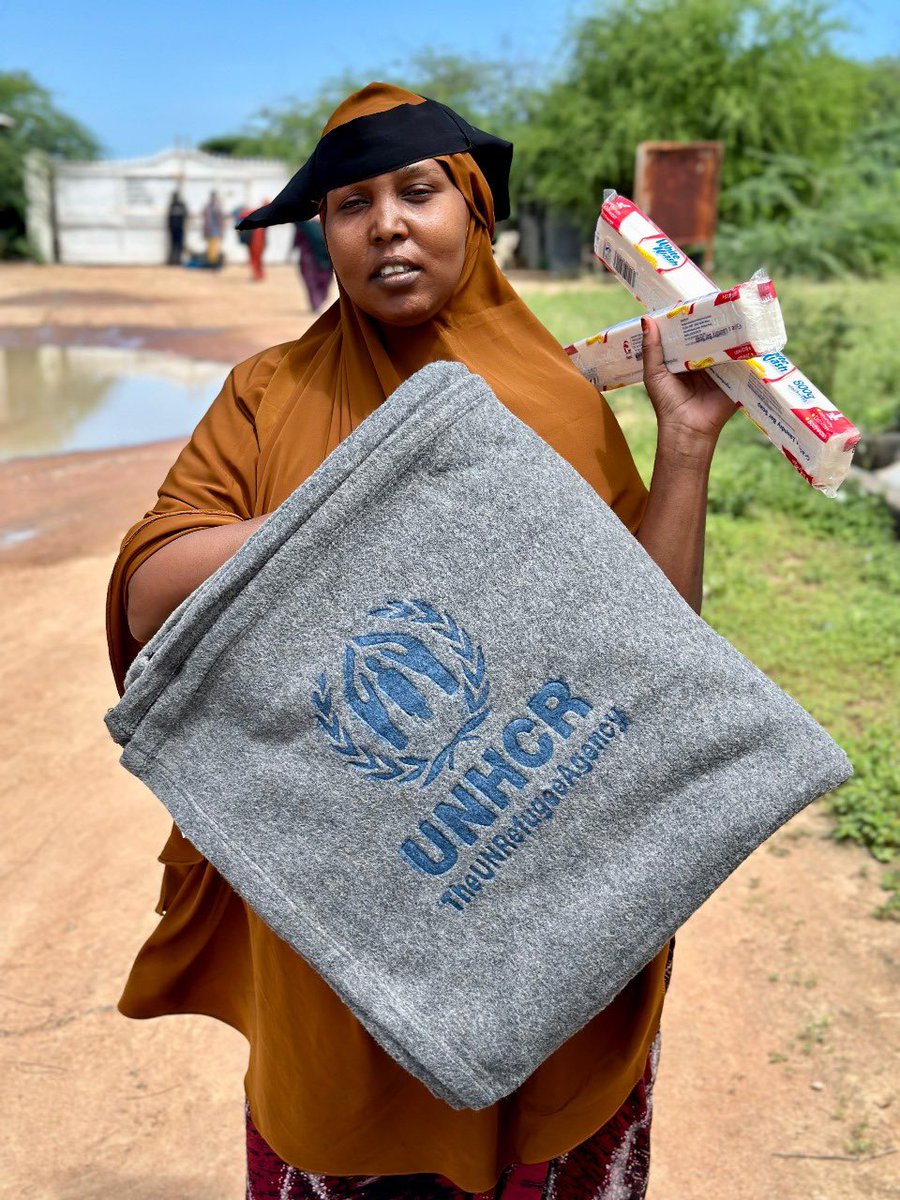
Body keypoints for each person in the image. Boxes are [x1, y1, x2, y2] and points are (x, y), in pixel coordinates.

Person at [107, 83, 737, 1200]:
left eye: (417, 191)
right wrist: (378, 498)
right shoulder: (270, 394)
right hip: (349, 916)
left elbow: (658, 645)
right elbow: (153, 587)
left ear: (475, 214)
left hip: (547, 870)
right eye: (351, 204)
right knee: (360, 1135)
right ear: (328, 237)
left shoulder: (553, 399)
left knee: (542, 1138)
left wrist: (682, 450)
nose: (386, 223)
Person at [293, 212, 333, 311]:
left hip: (326, 257)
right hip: (308, 257)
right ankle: (316, 304)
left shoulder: (328, 218)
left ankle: (321, 301)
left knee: (325, 280)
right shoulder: (302, 222)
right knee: (311, 280)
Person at [238, 202, 268, 281]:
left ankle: (258, 276)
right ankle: (258, 275)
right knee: (257, 259)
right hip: (255, 241)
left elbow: (242, 214)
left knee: (256, 259)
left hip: (255, 242)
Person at [165, 189, 188, 265]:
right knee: (173, 245)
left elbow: (186, 215)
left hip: (179, 228)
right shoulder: (172, 205)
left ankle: (177, 260)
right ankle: (173, 260)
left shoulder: (180, 205)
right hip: (174, 229)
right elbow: (169, 217)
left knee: (178, 245)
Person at [202, 189, 224, 267]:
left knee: (213, 247)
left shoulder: (211, 206)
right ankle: (212, 263)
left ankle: (213, 263)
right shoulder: (211, 206)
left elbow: (220, 219)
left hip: (213, 230)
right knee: (211, 248)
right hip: (211, 230)